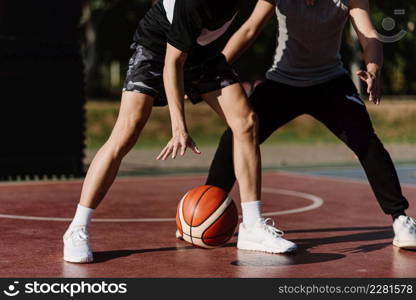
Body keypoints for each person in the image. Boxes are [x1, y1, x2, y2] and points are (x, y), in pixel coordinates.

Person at [63, 0, 298, 264]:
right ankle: (77, 228)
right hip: (156, 47)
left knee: (246, 122)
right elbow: (172, 63)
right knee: (127, 131)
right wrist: (179, 128)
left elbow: (253, 26)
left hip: (202, 51)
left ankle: (252, 227)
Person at [205, 0, 416, 250]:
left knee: (367, 142)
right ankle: (205, 210)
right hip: (283, 82)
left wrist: (373, 69)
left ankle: (401, 220)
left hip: (330, 83)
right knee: (235, 136)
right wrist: (210, 73)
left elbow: (369, 35)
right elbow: (250, 29)